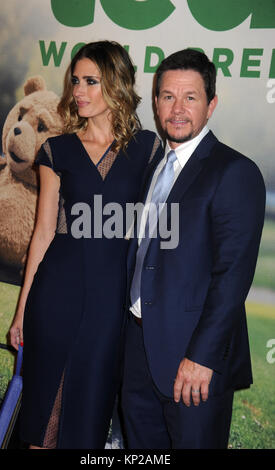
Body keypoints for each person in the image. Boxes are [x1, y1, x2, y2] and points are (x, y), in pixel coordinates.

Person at [9, 40, 162, 449]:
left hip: (109, 307)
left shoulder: (148, 150)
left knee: (89, 415)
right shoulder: (55, 150)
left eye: (91, 81)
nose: (78, 90)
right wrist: (22, 310)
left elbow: (149, 235)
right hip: (55, 294)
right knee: (43, 412)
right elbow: (42, 234)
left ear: (117, 84)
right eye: (76, 80)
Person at [121, 48, 266, 449]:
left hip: (193, 361)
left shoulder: (234, 172)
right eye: (168, 96)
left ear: (211, 104)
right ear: (155, 101)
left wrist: (202, 357)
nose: (178, 109)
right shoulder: (153, 165)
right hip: (137, 350)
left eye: (190, 97)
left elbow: (232, 278)